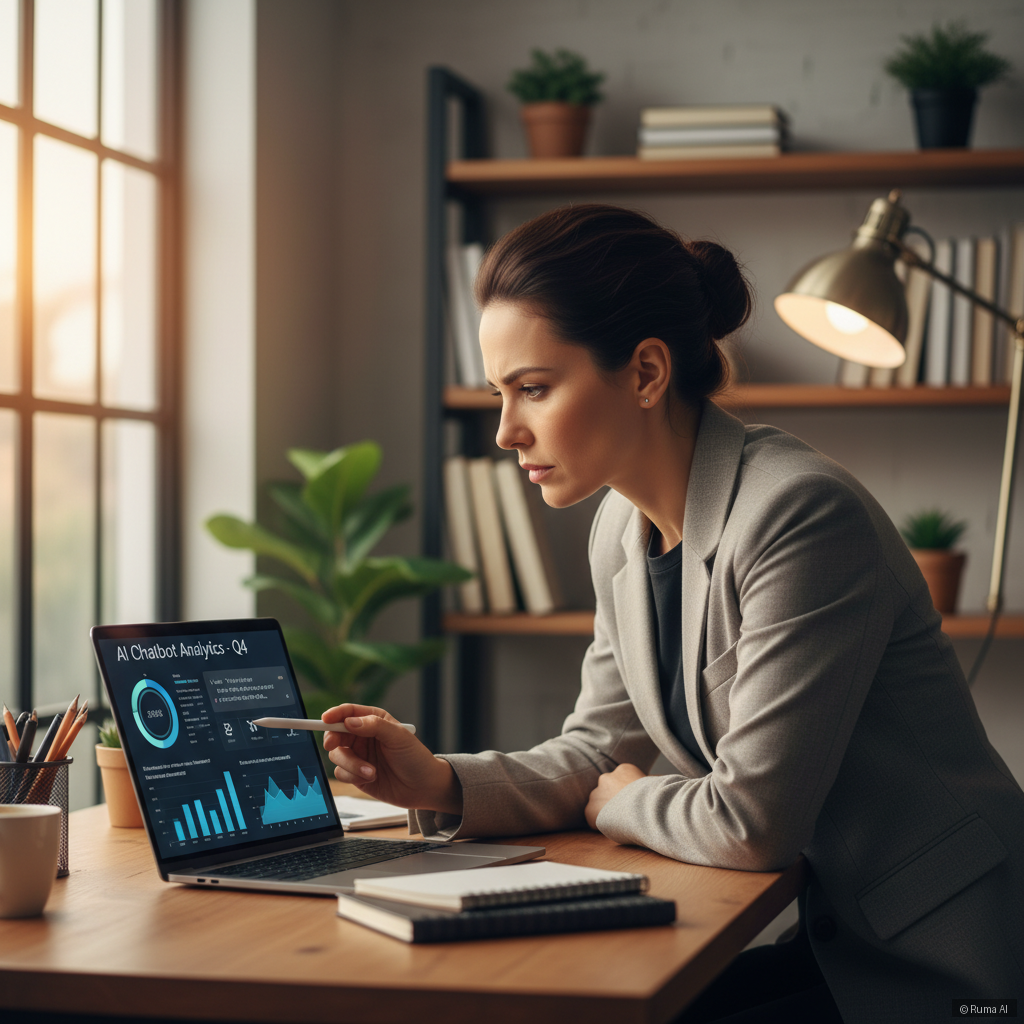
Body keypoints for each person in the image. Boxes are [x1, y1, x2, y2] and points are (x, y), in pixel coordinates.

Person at [323, 205, 1024, 1023]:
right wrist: (439, 779)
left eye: (535, 389)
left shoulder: (800, 514)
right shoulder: (619, 529)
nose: (508, 431)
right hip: (835, 936)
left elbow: (751, 821)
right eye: (499, 394)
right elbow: (596, 748)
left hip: (947, 960)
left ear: (647, 373)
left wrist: (619, 802)